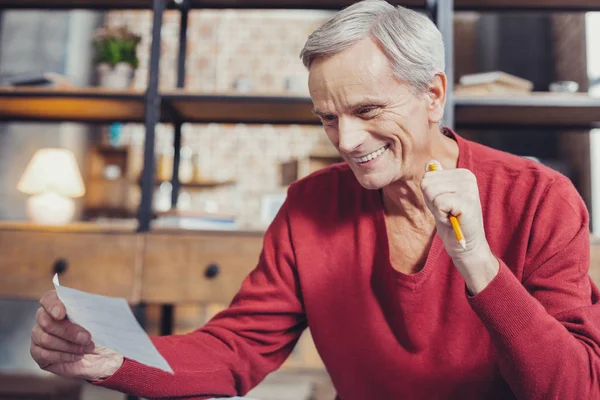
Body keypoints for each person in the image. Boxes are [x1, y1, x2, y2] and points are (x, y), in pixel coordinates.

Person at [31, 1, 600, 399]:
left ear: (433, 94)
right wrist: (114, 360)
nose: (346, 141)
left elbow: (571, 389)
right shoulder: (308, 207)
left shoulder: (540, 199)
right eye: (328, 118)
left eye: (368, 111)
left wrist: (478, 261)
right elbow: (235, 350)